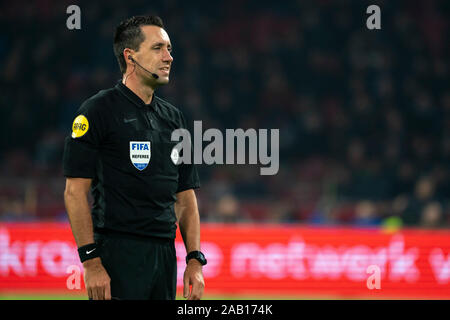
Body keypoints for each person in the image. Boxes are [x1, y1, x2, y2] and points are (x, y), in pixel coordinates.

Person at [63, 15, 206, 300]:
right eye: (158, 48)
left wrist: (194, 260)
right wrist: (91, 263)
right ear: (130, 56)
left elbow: (185, 195)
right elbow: (74, 191)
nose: (169, 57)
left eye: (169, 48)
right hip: (117, 254)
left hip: (165, 257)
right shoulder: (97, 111)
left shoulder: (175, 119)